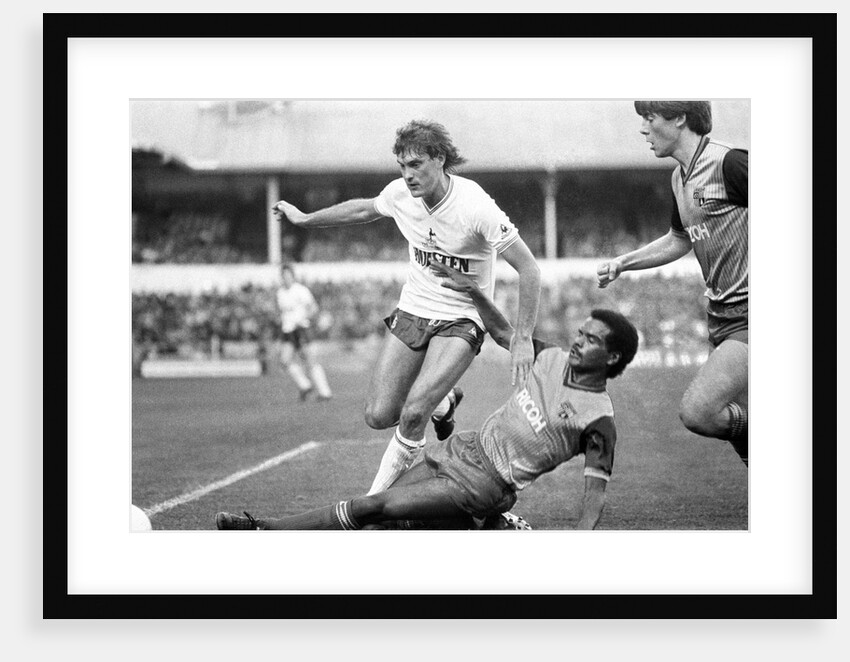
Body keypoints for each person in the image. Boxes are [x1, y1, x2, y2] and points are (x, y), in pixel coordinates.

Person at [215, 260, 638, 531]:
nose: (579, 341)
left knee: (372, 509)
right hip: (461, 447)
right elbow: (505, 333)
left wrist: (580, 554)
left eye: (591, 340)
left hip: (485, 482)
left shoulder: (598, 420)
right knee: (392, 525)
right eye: (580, 333)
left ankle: (264, 529)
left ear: (613, 355)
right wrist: (473, 292)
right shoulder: (551, 358)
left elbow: (594, 496)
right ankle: (491, 529)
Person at [272, 119, 541, 494]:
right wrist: (305, 219)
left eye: (416, 165)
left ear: (440, 159)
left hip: (461, 318)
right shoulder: (400, 195)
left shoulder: (475, 206)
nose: (408, 175)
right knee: (378, 415)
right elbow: (362, 210)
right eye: (402, 166)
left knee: (414, 413)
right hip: (414, 309)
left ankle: (369, 506)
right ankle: (444, 403)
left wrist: (524, 337)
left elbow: (529, 269)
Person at [596, 100, 748, 466]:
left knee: (699, 411)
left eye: (649, 118)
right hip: (721, 318)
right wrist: (623, 263)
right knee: (743, 432)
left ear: (679, 117)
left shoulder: (729, 163)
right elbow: (679, 238)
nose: (643, 129)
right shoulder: (680, 178)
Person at [275, 264, 332, 401]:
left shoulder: (300, 290)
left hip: (302, 329)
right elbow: (282, 313)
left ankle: (325, 392)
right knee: (284, 360)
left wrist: (303, 318)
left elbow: (313, 308)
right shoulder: (280, 293)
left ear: (293, 276)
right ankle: (305, 385)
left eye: (288, 275)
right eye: (283, 276)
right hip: (288, 330)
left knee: (310, 361)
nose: (286, 278)